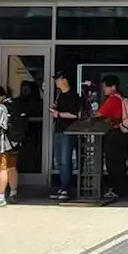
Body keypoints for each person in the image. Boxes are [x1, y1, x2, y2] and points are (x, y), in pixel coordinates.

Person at [96, 76, 128, 200]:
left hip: (113, 134)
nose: (103, 89)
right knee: (120, 162)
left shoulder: (112, 100)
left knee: (113, 163)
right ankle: (121, 188)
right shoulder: (121, 98)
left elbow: (99, 114)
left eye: (105, 87)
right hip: (122, 133)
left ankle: (116, 189)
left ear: (113, 87)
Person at [50, 73, 81, 201]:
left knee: (65, 160)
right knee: (59, 160)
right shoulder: (59, 95)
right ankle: (62, 186)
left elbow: (75, 114)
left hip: (68, 131)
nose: (56, 82)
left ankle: (66, 187)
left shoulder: (73, 96)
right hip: (58, 129)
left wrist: (59, 114)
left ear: (64, 80)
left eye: (57, 80)